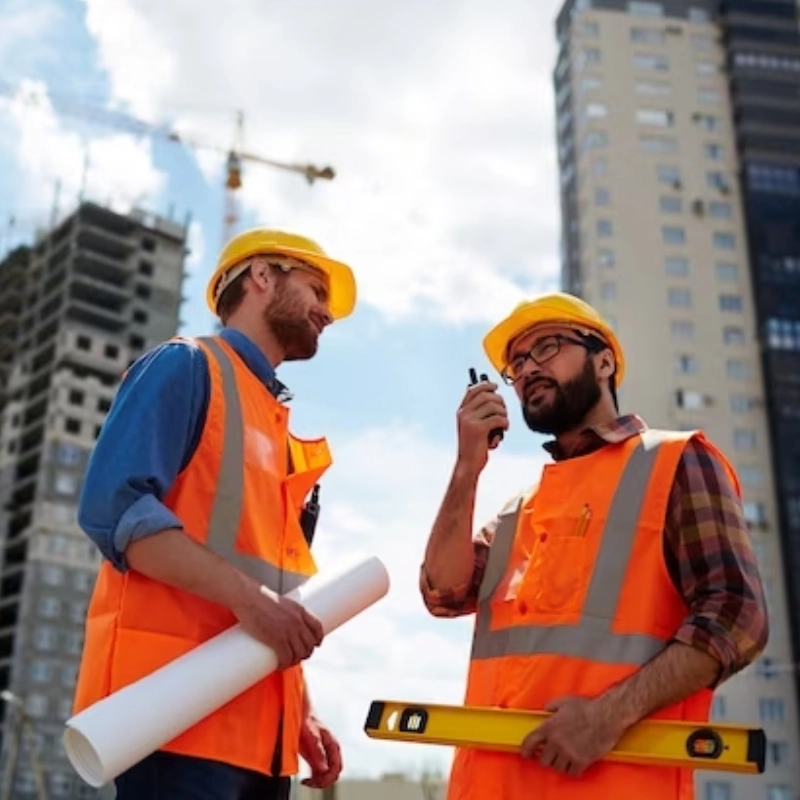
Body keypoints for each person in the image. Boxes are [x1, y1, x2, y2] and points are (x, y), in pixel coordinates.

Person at [419, 292, 769, 800]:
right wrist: (467, 467)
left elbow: (738, 617)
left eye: (547, 347)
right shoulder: (520, 510)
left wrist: (609, 716)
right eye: (517, 363)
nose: (528, 369)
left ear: (604, 362)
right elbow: (442, 592)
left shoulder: (675, 461)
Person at [72, 228, 358, 800]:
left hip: (261, 739)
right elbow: (115, 510)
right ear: (262, 276)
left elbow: (276, 592)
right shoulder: (186, 366)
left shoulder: (274, 427)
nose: (327, 312)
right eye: (316, 289)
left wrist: (299, 708)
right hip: (174, 718)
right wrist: (254, 603)